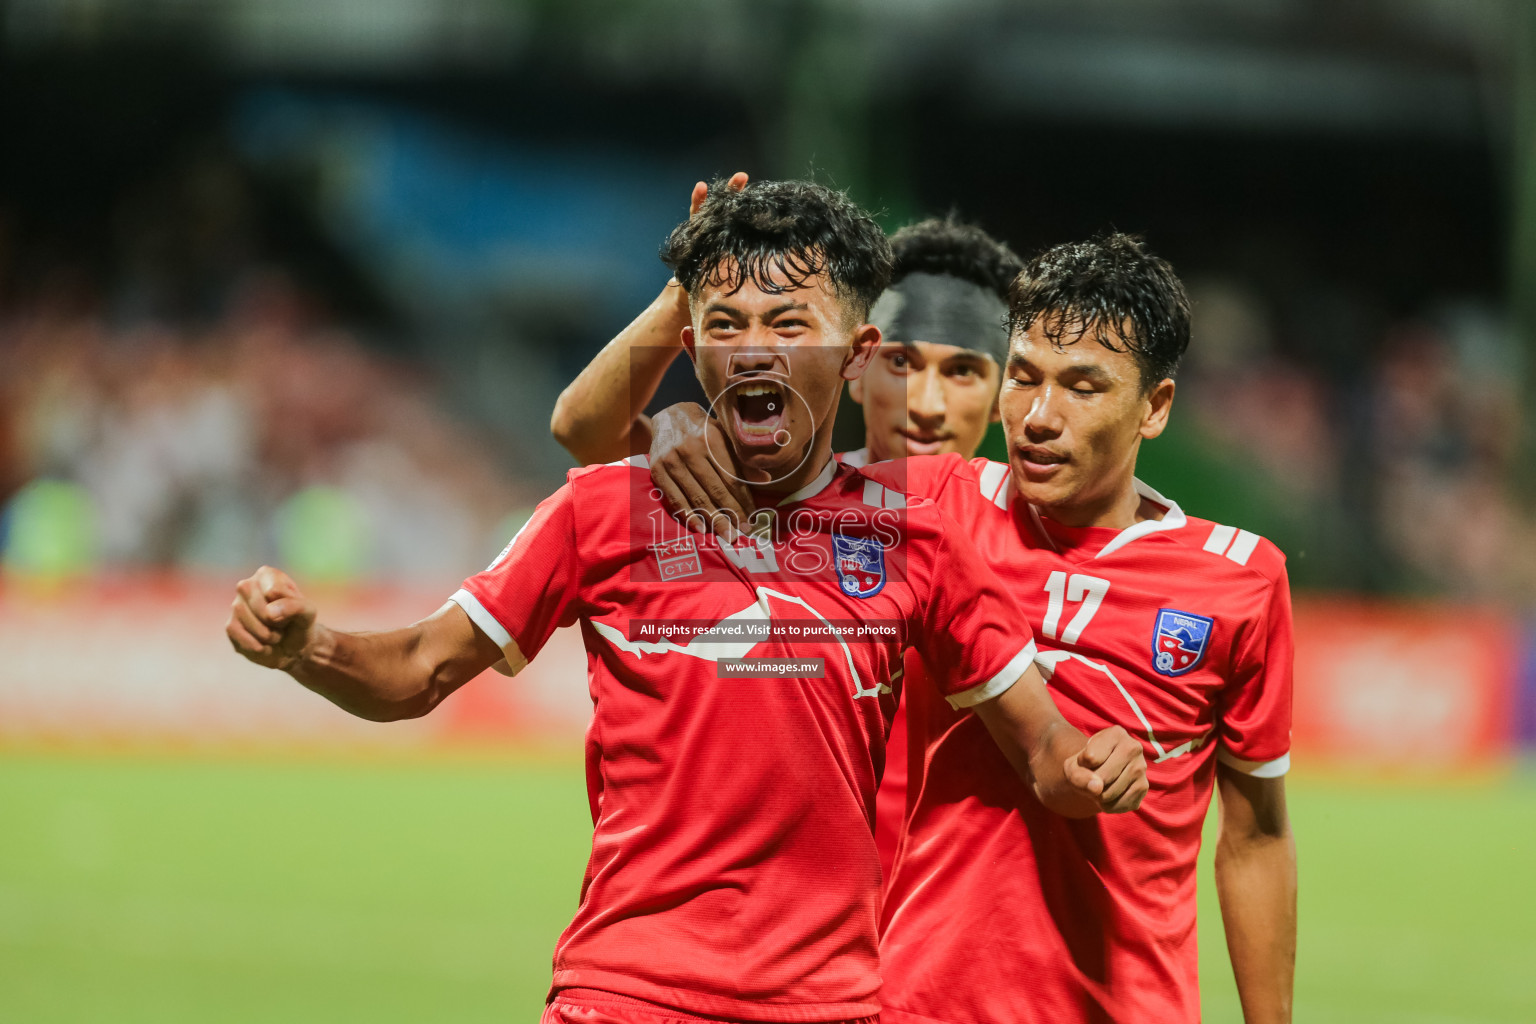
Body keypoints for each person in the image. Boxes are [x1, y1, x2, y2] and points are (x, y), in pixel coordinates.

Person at [223, 179, 1148, 1024]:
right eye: (727, 323)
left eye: (790, 325)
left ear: (856, 356)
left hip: (832, 1005)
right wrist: (310, 645)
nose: (755, 348)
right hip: (626, 992)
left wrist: (1093, 765)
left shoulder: (920, 534)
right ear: (691, 341)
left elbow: (1046, 751)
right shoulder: (604, 509)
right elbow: (419, 669)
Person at [630, 233, 1297, 1022]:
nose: (1040, 417)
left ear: (1154, 408)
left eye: (1083, 387)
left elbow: (1255, 837)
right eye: (1024, 377)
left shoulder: (1240, 579)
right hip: (920, 1001)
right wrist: (676, 416)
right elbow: (608, 445)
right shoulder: (930, 504)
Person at [551, 183, 1023, 877]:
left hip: (945, 934)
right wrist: (691, 299)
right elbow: (581, 430)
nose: (925, 403)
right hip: (802, 918)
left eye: (961, 371)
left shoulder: (1036, 536)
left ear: (1002, 395)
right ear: (857, 362)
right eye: (901, 361)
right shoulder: (762, 490)